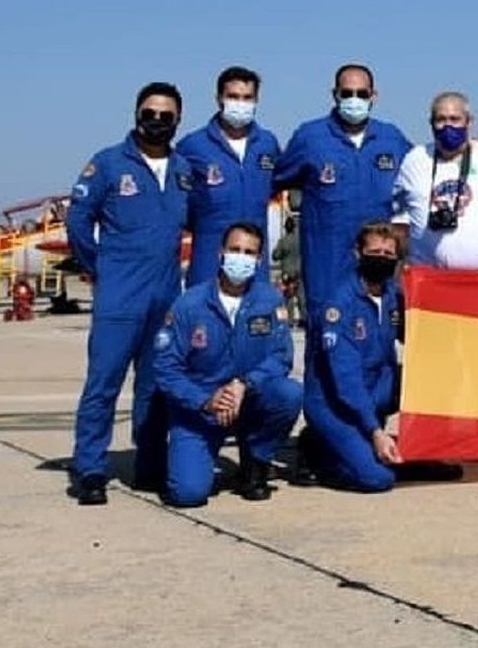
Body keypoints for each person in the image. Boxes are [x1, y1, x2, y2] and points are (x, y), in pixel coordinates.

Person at [65, 82, 194, 504]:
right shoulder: (107, 164)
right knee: (103, 384)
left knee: (155, 387)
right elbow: (78, 221)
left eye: (165, 116)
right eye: (149, 114)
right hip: (119, 297)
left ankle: (150, 465)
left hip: (165, 296)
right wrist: (99, 268)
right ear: (137, 115)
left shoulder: (183, 170)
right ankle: (89, 469)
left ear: (177, 120)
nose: (156, 121)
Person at [153, 222, 301, 506]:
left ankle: (255, 461)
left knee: (289, 393)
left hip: (248, 400)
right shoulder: (189, 304)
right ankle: (189, 457)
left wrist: (244, 384)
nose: (240, 258)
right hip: (199, 411)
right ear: (221, 253)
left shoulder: (269, 300)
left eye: (249, 252)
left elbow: (281, 356)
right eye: (235, 250)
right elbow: (166, 369)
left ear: (259, 260)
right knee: (188, 494)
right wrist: (205, 401)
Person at [275, 63, 412, 318]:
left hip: (377, 264)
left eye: (362, 93)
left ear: (374, 96)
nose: (354, 99)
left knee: (377, 331)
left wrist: (470, 153)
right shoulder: (310, 138)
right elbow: (272, 179)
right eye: (347, 93)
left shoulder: (392, 139)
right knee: (326, 330)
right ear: (335, 94)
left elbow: (423, 175)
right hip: (327, 265)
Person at [301, 223, 405, 492]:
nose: (381, 258)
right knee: (378, 478)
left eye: (388, 254)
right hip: (335, 403)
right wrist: (375, 431)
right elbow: (346, 379)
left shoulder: (393, 296)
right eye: (374, 252)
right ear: (358, 253)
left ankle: (362, 443)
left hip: (375, 394)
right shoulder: (339, 304)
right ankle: (320, 453)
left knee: (424, 376)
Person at [393, 91, 478, 270]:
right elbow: (397, 218)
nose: (447, 126)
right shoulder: (415, 159)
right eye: (441, 119)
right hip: (427, 277)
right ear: (431, 123)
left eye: (454, 119)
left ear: (469, 121)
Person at [177, 66, 282, 287]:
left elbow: (275, 188)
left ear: (256, 100)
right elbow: (178, 202)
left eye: (247, 97)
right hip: (208, 264)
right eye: (233, 96)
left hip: (255, 266)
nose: (240, 103)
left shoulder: (268, 144)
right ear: (219, 99)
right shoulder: (192, 146)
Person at [272, 215, 303, 327]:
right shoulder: (300, 240)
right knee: (301, 297)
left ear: (285, 228)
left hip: (287, 273)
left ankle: (289, 321)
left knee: (288, 298)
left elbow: (275, 256)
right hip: (299, 272)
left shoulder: (283, 241)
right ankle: (304, 319)